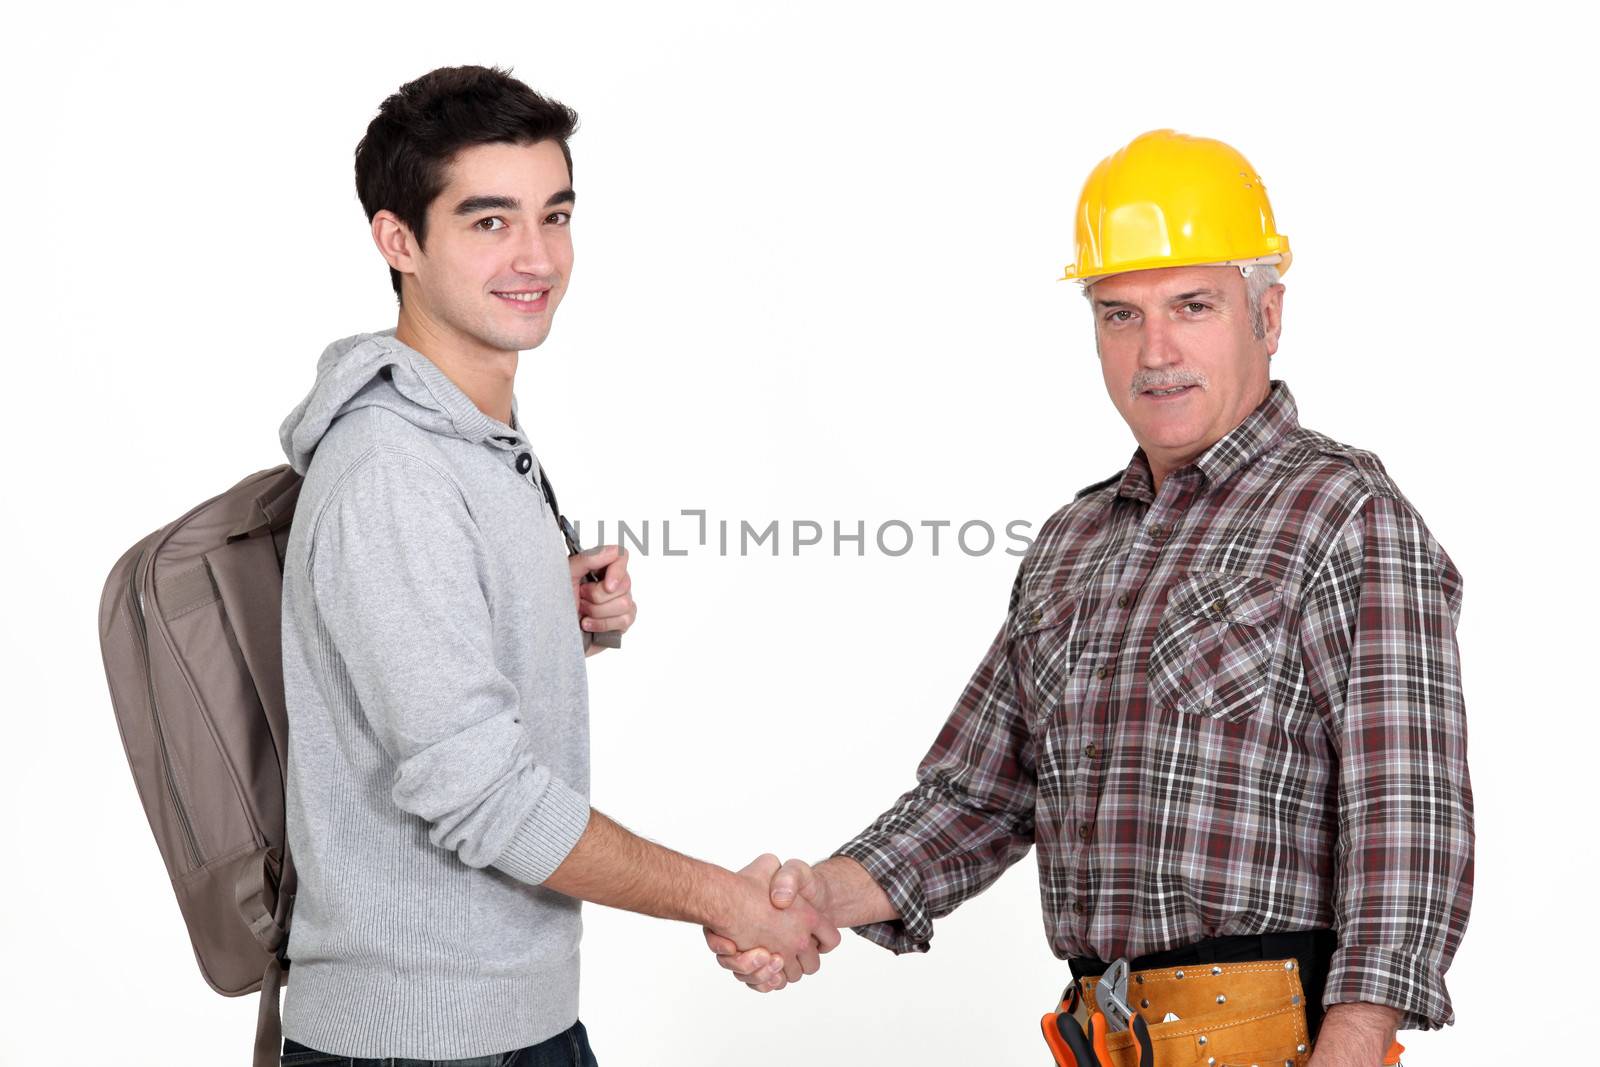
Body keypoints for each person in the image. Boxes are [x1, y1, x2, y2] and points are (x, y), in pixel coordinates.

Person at [707, 130, 1474, 1066]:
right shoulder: (1076, 542)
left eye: (1193, 306)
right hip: (1106, 1035)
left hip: (1278, 1041)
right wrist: (815, 897)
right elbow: (979, 796)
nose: (1156, 350)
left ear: (1267, 315)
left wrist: (1354, 1042)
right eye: (1119, 314)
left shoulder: (1345, 514)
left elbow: (1407, 813)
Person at [276, 65, 838, 1067]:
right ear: (399, 241)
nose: (535, 256)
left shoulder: (472, 431)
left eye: (555, 214)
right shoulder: (392, 470)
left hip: (512, 1022)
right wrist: (728, 897)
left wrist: (557, 601)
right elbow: (481, 793)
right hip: (420, 1042)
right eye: (488, 222)